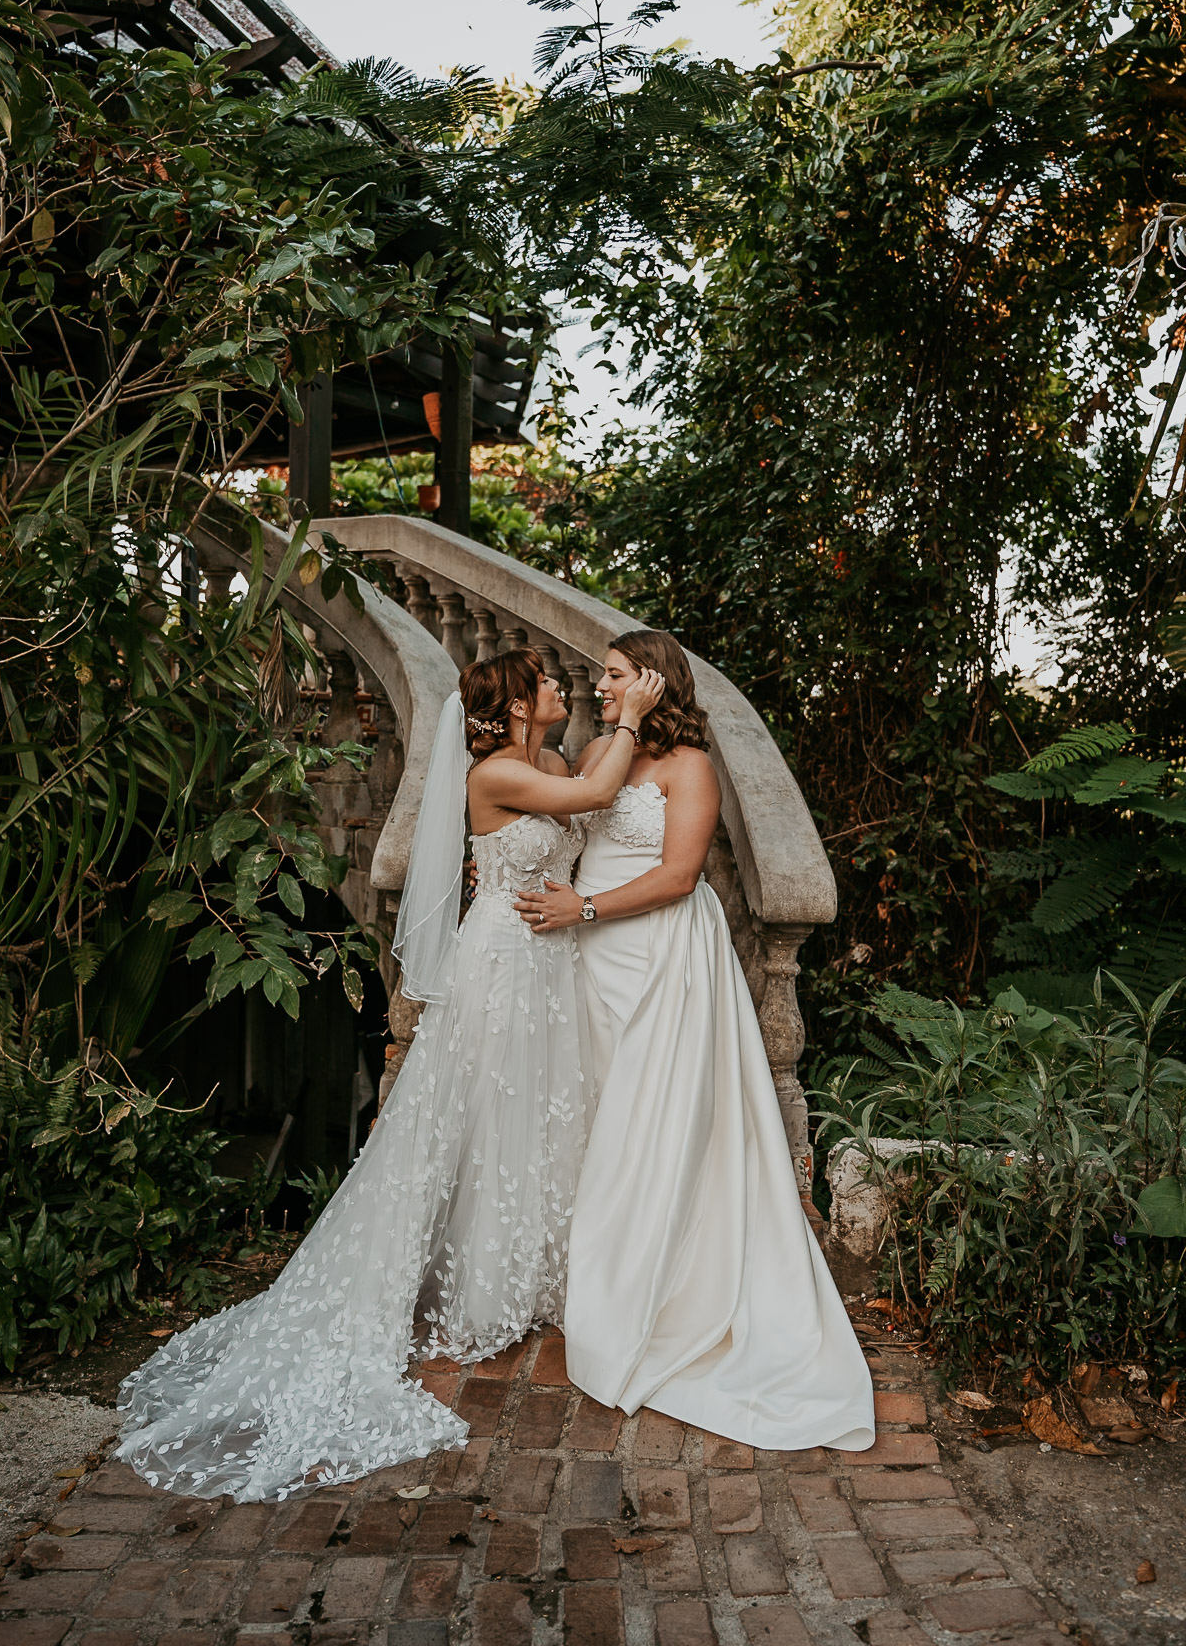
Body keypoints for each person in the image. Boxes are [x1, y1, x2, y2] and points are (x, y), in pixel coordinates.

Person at [114, 647, 664, 1502]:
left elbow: (589, 813)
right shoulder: (493, 776)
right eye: (548, 684)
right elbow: (593, 799)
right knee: (472, 1120)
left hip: (555, 970)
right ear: (517, 705)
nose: (563, 690)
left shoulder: (550, 759)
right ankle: (476, 1293)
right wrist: (631, 717)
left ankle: (534, 1278)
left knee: (542, 1118)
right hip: (500, 968)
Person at [514, 630, 875, 1452]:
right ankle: (593, 1280)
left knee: (654, 1130)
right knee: (598, 1119)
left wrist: (589, 909)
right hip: (588, 959)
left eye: (611, 676)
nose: (596, 686)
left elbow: (681, 876)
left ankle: (656, 1295)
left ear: (649, 681)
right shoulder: (605, 751)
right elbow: (561, 828)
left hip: (658, 957)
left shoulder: (691, 768)